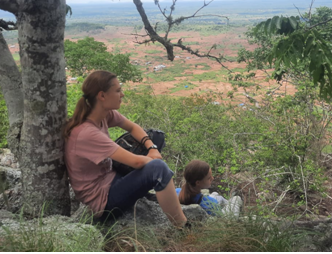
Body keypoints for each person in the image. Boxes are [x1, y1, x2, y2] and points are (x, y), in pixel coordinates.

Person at [64, 70, 187, 228]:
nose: (122, 94)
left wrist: (152, 147)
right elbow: (136, 162)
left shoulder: (103, 115)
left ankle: (151, 191)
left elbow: (132, 127)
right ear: (102, 96)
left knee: (155, 137)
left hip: (111, 178)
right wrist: (154, 160)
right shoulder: (87, 133)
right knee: (158, 169)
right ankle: (183, 227)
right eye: (117, 90)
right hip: (103, 201)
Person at [176, 160, 242, 217]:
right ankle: (229, 204)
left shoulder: (177, 192)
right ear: (198, 183)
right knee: (236, 198)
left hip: (207, 200)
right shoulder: (210, 204)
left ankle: (227, 202)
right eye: (209, 178)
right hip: (222, 213)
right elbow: (221, 216)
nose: (212, 178)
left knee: (215, 194)